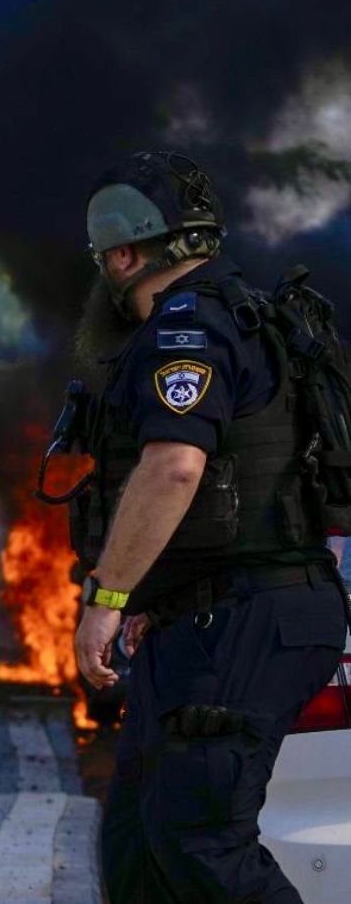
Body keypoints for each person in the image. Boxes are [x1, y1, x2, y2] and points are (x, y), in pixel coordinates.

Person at [69, 151, 349, 903]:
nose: (104, 274)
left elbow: (175, 469)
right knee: (140, 848)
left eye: (106, 258)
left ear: (126, 254)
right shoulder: (241, 317)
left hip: (246, 617)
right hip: (204, 616)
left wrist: (109, 597)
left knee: (200, 838)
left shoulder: (189, 326)